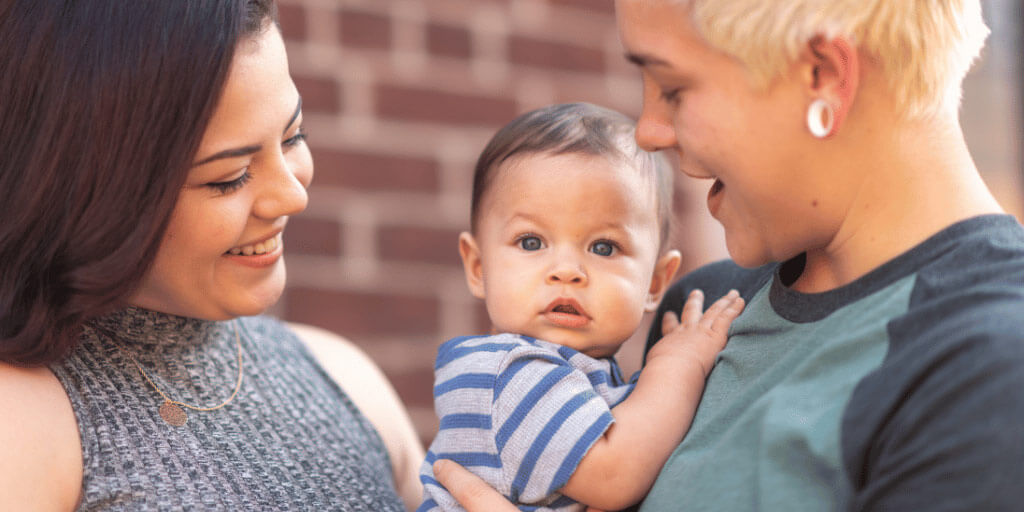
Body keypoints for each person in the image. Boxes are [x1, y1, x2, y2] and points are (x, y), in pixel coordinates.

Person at [435, 0, 1024, 510]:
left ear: (822, 77)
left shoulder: (989, 369)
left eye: (672, 87)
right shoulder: (711, 302)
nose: (649, 132)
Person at [0, 1, 423, 510]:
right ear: (92, 194)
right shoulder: (26, 420)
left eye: (293, 137)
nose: (292, 196)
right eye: (229, 177)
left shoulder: (343, 376)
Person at [418, 103, 745, 512]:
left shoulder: (570, 373)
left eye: (603, 247)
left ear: (655, 282)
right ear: (479, 267)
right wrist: (679, 364)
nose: (567, 271)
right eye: (531, 242)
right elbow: (614, 475)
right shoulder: (505, 374)